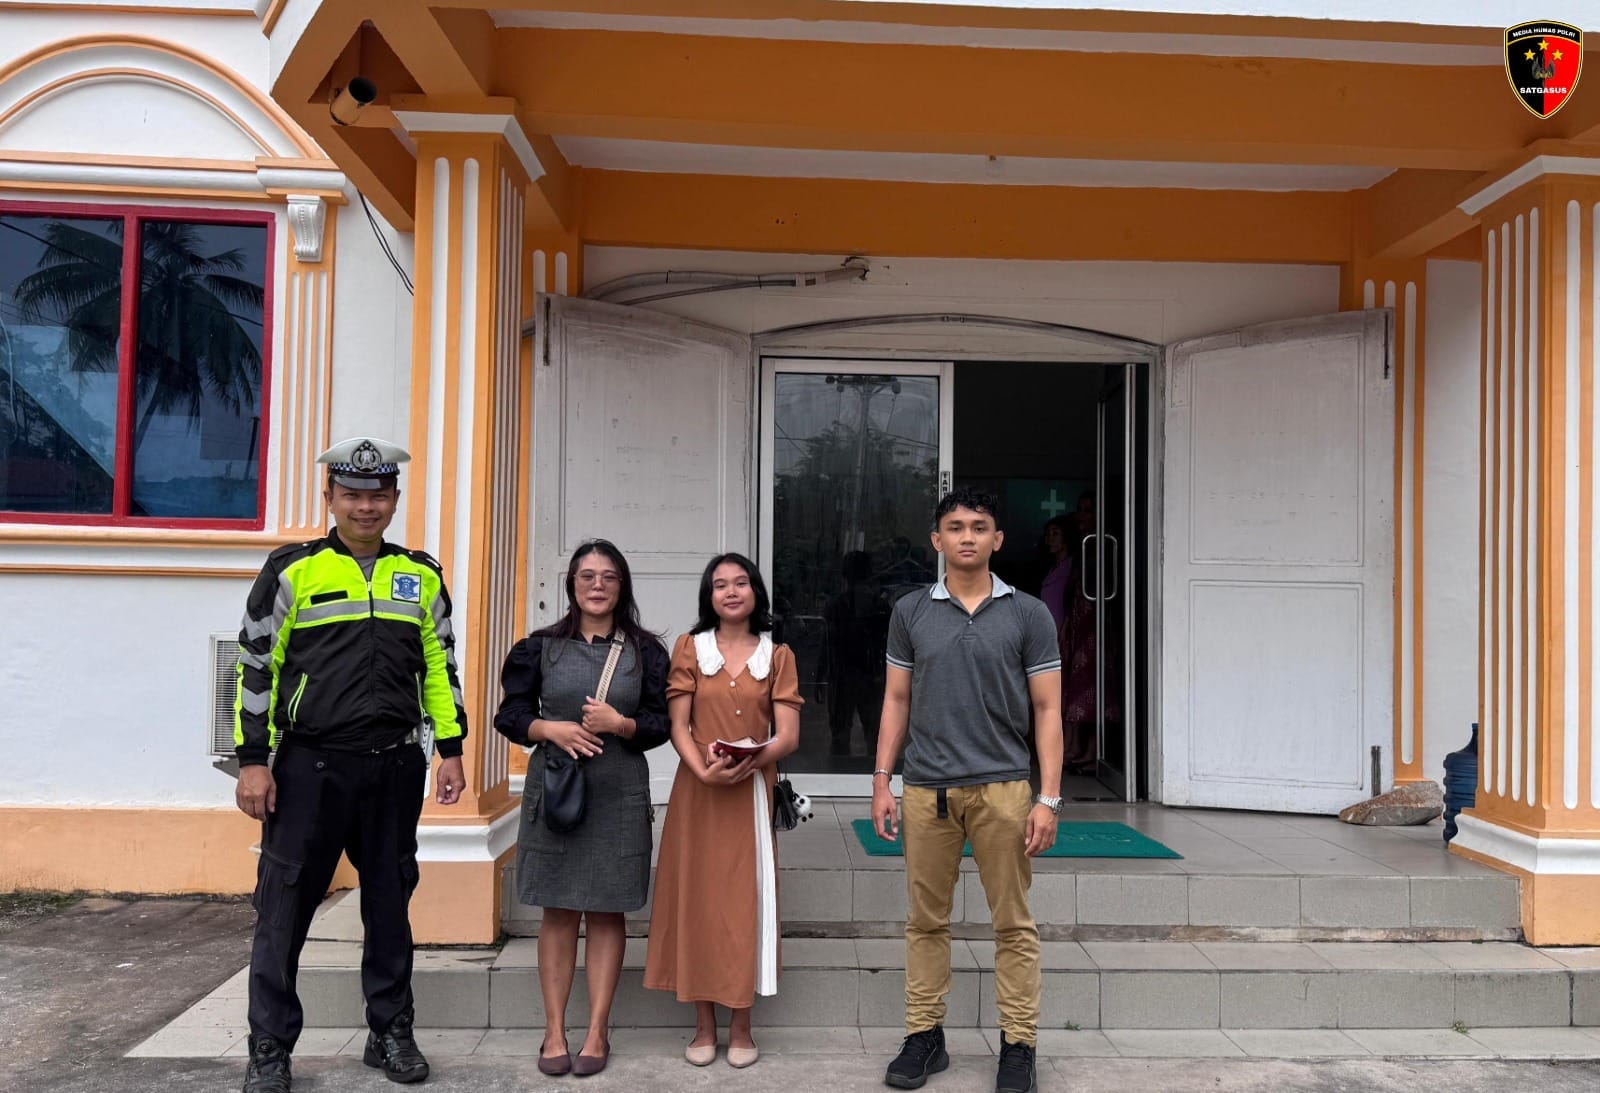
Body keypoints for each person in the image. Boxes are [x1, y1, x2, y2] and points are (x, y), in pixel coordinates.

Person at [232, 437, 468, 1093]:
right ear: (330, 498)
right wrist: (253, 761)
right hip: (309, 767)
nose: (367, 506)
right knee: (283, 909)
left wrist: (450, 749)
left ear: (394, 499)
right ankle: (269, 1047)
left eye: (379, 495)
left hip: (394, 765)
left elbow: (440, 667)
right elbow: (255, 666)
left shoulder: (420, 575)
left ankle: (390, 1030)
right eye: (353, 494)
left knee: (389, 904)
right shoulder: (292, 570)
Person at [871, 487, 1064, 1093]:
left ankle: (1019, 1046)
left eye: (979, 527)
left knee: (1013, 924)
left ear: (997, 540)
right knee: (925, 922)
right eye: (955, 527)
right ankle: (925, 1037)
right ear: (937, 540)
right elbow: (896, 698)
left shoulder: (1028, 614)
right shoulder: (910, 611)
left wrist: (1048, 797)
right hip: (927, 789)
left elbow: (1048, 710)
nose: (967, 536)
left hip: (1003, 790)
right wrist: (882, 780)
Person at [492, 540, 670, 1077]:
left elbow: (662, 723)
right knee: (559, 909)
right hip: (557, 792)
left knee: (608, 909)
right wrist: (549, 729)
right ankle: (554, 1031)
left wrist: (622, 724)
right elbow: (510, 714)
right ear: (571, 584)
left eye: (608, 576)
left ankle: (597, 1029)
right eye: (587, 575)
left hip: (618, 792)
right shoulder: (539, 647)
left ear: (622, 586)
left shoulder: (646, 652)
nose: (597, 585)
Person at [643, 553, 803, 1069]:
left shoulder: (777, 655)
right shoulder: (691, 648)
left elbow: (788, 735)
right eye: (720, 585)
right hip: (699, 791)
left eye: (740, 583)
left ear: (756, 591)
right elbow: (679, 725)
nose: (731, 592)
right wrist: (704, 770)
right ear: (708, 596)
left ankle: (741, 1026)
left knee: (743, 903)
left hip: (751, 791)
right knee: (698, 901)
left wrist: (752, 757)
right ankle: (703, 1025)